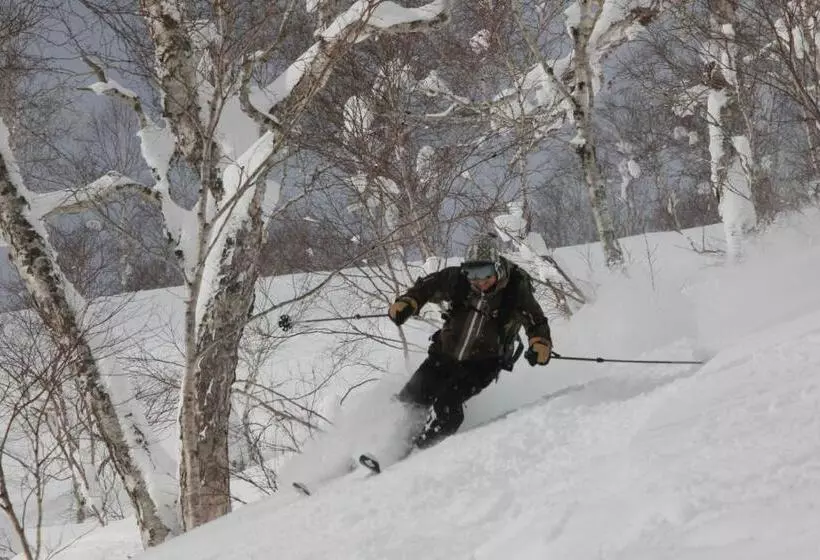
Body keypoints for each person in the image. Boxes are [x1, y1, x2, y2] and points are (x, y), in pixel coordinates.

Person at [388, 232, 552, 449]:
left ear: (497, 267)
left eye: (485, 273)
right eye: (472, 273)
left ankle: (423, 450)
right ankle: (389, 444)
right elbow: (427, 287)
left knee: (447, 404)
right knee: (411, 399)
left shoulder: (515, 290)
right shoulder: (458, 280)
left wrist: (539, 343)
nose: (479, 281)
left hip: (483, 363)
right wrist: (408, 302)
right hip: (445, 353)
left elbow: (536, 321)